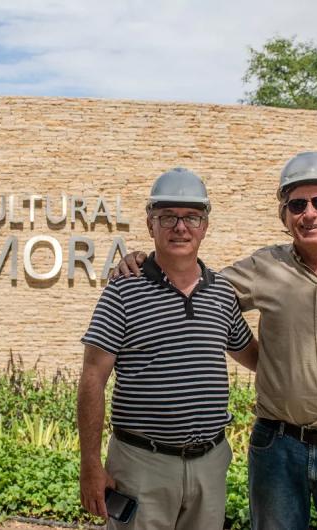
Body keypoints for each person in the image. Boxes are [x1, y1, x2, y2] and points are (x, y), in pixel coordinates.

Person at [115, 152, 317, 530]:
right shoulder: (263, 268)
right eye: (297, 204)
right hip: (277, 449)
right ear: (285, 216)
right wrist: (148, 262)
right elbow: (195, 285)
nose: (310, 213)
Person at [78, 167, 259, 530]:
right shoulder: (123, 291)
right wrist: (90, 465)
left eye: (191, 217)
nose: (180, 227)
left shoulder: (222, 293)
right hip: (141, 466)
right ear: (150, 225)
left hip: (209, 464)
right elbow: (93, 378)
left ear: (205, 225)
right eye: (168, 217)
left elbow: (256, 357)